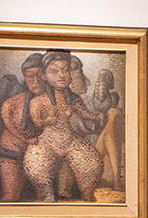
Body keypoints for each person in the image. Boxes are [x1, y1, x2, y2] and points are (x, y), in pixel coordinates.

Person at [24, 51, 105, 202]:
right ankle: (48, 196)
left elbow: (84, 113)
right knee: (36, 162)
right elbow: (37, 122)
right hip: (47, 141)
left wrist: (95, 117)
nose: (61, 75)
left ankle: (87, 196)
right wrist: (47, 120)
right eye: (54, 71)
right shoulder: (38, 101)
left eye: (66, 69)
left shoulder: (73, 99)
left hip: (70, 140)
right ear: (44, 76)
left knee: (92, 162)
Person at [0, 54, 48, 202]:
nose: (36, 81)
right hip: (13, 153)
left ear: (46, 76)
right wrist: (25, 139)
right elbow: (9, 125)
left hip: (41, 156)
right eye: (30, 76)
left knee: (43, 199)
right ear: (25, 78)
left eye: (39, 75)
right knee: (10, 197)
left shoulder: (55, 101)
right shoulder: (11, 104)